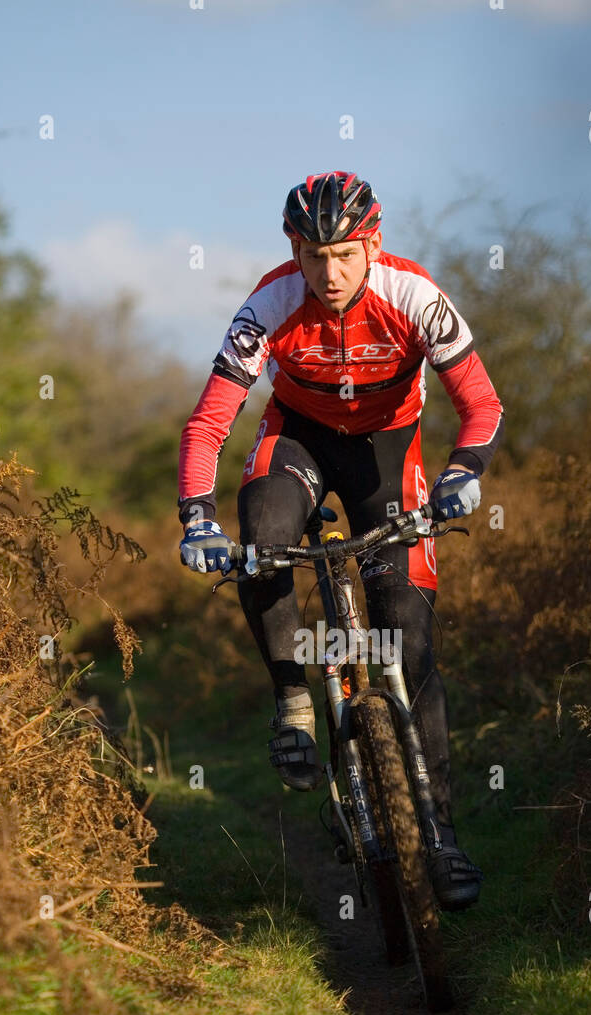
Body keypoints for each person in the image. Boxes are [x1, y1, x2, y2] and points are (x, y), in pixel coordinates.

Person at [177, 171, 504, 910]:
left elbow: (481, 403)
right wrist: (195, 517)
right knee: (261, 538)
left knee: (411, 642)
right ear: (294, 248)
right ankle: (294, 700)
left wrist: (463, 472)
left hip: (387, 454)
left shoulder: (415, 295)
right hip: (298, 441)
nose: (329, 273)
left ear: (373, 245)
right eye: (314, 255)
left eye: (345, 254)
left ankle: (442, 836)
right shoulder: (269, 304)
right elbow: (209, 423)